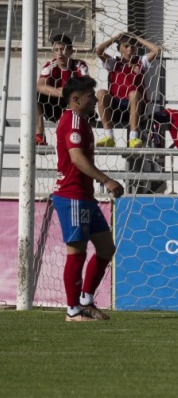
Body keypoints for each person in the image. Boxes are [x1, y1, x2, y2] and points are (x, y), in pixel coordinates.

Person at [51, 76, 125, 322]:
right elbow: (76, 158)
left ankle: (86, 301)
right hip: (72, 195)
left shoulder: (82, 121)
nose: (95, 100)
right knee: (77, 252)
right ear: (76, 99)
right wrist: (106, 180)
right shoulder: (72, 120)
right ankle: (73, 311)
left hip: (85, 196)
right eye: (90, 96)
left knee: (106, 248)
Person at [94, 32, 161, 148]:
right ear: (119, 48)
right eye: (126, 46)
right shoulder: (113, 63)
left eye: (133, 47)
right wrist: (115, 38)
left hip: (135, 108)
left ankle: (133, 138)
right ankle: (109, 137)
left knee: (134, 94)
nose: (130, 49)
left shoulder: (141, 61)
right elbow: (98, 50)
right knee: (101, 93)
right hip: (115, 108)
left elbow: (156, 50)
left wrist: (137, 39)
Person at [35, 33, 90, 146]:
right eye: (56, 50)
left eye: (63, 49)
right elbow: (40, 85)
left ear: (71, 51)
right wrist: (60, 92)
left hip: (75, 104)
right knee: (34, 94)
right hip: (55, 106)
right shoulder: (50, 66)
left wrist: (69, 92)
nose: (59, 53)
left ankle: (78, 140)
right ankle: (40, 135)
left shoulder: (79, 65)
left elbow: (88, 84)